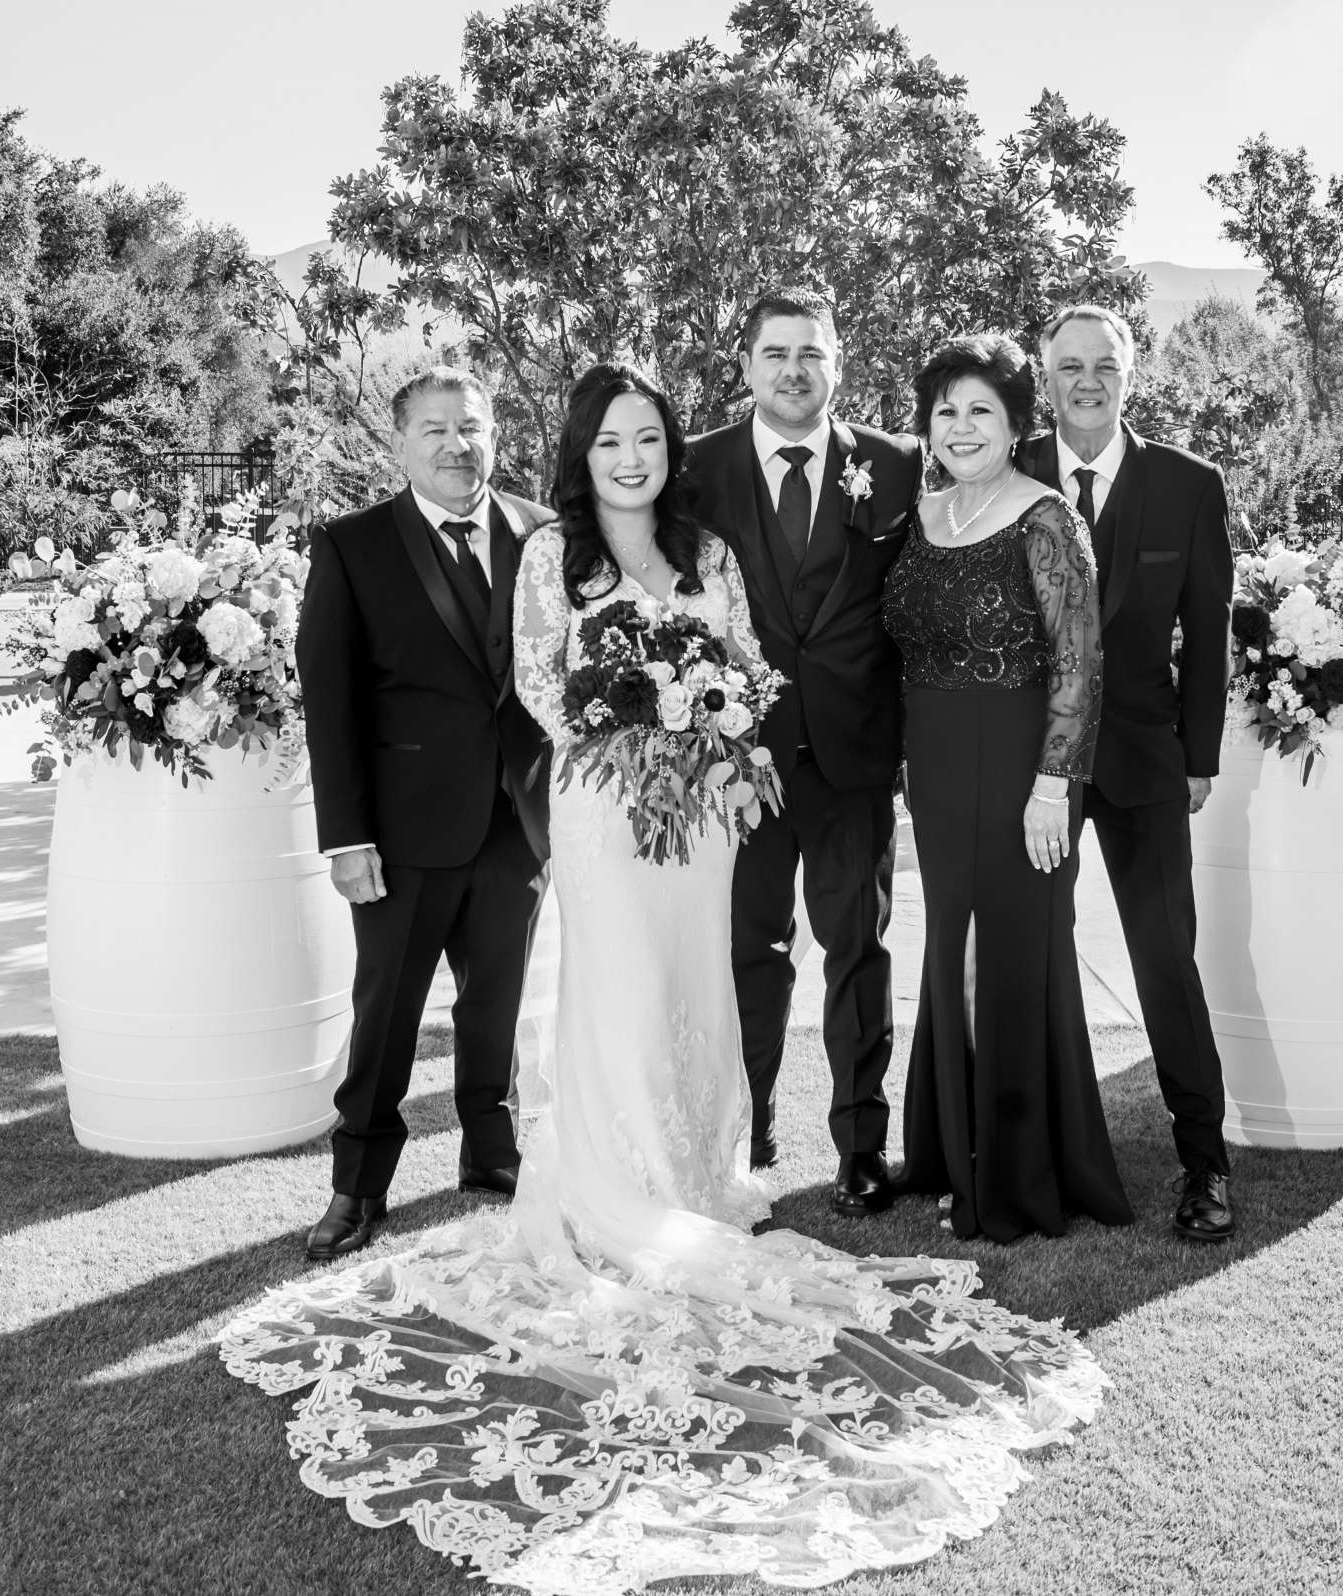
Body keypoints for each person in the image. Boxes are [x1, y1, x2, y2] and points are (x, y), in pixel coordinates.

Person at [223, 363, 1104, 1594]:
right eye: (610, 442)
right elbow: (540, 678)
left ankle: (694, 1175)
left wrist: (711, 724)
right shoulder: (553, 558)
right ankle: (610, 1185)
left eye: (647, 439)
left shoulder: (708, 548)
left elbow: (744, 662)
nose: (630, 458)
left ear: (666, 451)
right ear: (581, 454)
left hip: (701, 816)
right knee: (618, 992)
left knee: (701, 987)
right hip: (598, 806)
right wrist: (624, 722)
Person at [293, 367, 555, 1262]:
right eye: (435, 429)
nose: (457, 444)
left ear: (496, 434)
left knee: (496, 1007)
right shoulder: (351, 545)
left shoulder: (540, 535)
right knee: (387, 1015)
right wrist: (347, 837)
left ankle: (491, 1155)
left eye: (472, 427)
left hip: (514, 825)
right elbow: (329, 703)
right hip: (399, 837)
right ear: (400, 442)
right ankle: (357, 1188)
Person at [885, 333, 1134, 1244]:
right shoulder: (923, 515)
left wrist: (1052, 787)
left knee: (1014, 955)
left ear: (1013, 421)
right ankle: (952, 1149)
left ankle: (1020, 1173)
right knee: (949, 949)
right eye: (945, 410)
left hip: (1024, 766)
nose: (960, 427)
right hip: (940, 773)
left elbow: (1081, 661)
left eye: (980, 410)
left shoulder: (1046, 519)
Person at [683, 288, 922, 1212]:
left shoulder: (897, 467)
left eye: (811, 355)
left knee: (857, 952)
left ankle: (861, 1146)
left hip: (856, 758)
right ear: (746, 365)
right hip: (737, 763)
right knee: (748, 952)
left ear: (837, 365)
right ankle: (752, 1127)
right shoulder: (695, 469)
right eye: (776, 353)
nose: (794, 371)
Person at [1021, 305, 1239, 1243]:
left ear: (1130, 375)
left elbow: (1210, 630)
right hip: (1037, 768)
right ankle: (1037, 1157)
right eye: (1070, 366)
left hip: (1150, 764)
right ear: (1046, 375)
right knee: (1032, 960)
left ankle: (1206, 1164)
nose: (1088, 382)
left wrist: (1198, 758)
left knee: (1164, 960)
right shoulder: (1009, 467)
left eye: (1105, 365)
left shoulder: (1188, 485)